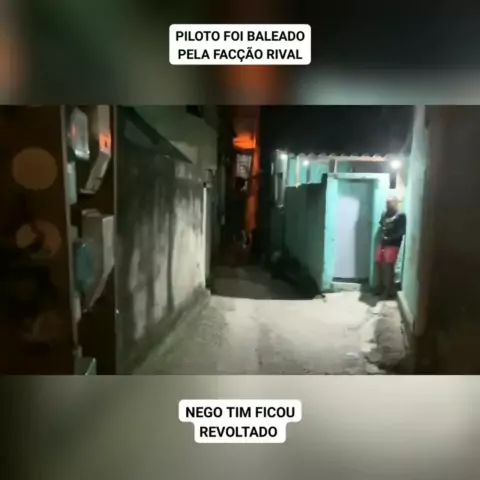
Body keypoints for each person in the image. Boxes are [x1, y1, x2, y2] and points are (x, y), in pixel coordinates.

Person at [374, 196, 406, 298]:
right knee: (378, 263)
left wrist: (390, 238)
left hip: (393, 244)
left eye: (389, 203)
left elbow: (401, 232)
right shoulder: (384, 213)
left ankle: (388, 290)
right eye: (386, 203)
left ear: (396, 203)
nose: (387, 205)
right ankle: (381, 286)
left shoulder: (401, 215)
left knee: (389, 266)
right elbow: (382, 225)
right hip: (383, 243)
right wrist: (383, 237)